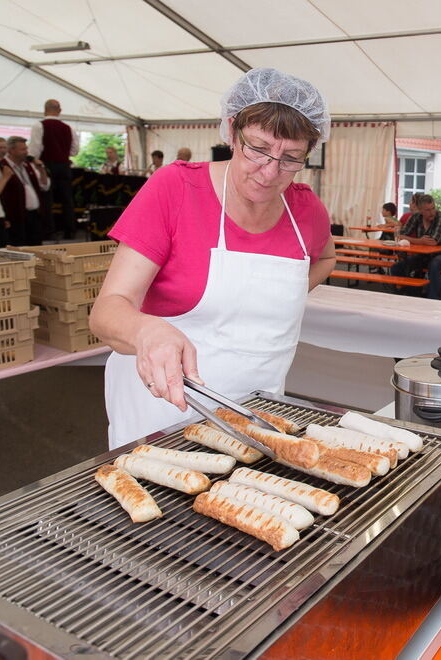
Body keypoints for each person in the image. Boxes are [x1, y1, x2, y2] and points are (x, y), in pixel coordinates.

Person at [89, 68, 335, 449]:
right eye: (257, 148)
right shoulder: (175, 189)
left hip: (257, 422)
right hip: (160, 417)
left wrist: (275, 295)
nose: (270, 172)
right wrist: (145, 330)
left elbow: (326, 259)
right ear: (232, 131)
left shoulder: (306, 210)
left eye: (290, 158)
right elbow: (106, 311)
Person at [30, 99, 79, 239]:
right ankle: (70, 231)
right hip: (64, 166)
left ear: (45, 109)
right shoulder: (68, 128)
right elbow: (74, 151)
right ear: (59, 111)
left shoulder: (39, 125)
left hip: (47, 165)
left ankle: (49, 231)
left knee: (47, 199)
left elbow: (35, 149)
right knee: (67, 200)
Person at [392, 194, 441, 299]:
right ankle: (410, 293)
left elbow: (433, 241)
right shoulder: (415, 217)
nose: (432, 212)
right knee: (397, 267)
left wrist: (413, 240)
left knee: (434, 264)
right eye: (427, 210)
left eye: (433, 208)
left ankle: (433, 298)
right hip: (423, 255)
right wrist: (419, 241)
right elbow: (400, 235)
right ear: (420, 210)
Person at [0, 136, 50, 246]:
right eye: (23, 149)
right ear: (11, 150)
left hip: (34, 215)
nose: (26, 152)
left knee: (36, 247)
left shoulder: (28, 166)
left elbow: (44, 186)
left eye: (26, 149)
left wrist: (41, 169)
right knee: (20, 248)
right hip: (15, 217)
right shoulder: (1, 166)